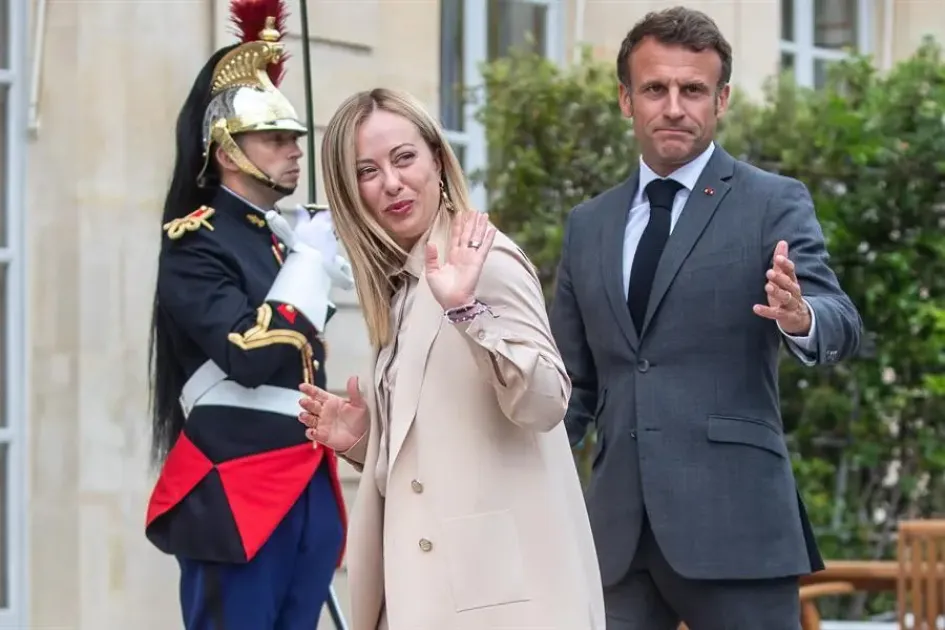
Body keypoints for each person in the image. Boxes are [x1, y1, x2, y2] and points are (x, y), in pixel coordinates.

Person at [549, 6, 863, 630]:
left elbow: (840, 319)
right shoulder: (589, 226)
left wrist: (799, 316)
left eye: (692, 90)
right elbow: (571, 386)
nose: (673, 107)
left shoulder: (773, 201)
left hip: (737, 528)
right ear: (625, 100)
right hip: (616, 539)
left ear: (720, 100)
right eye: (655, 89)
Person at [295, 87, 605, 630]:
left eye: (404, 158)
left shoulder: (484, 262)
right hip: (432, 596)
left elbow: (547, 403)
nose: (391, 182)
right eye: (367, 171)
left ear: (437, 158)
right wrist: (372, 443)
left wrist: (467, 310)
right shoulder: (406, 283)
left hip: (499, 602)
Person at [143, 1, 353, 627]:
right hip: (236, 488)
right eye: (275, 138)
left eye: (294, 138)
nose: (294, 150)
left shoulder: (281, 239)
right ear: (230, 151)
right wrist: (311, 266)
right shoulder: (196, 240)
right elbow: (250, 356)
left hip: (304, 481)